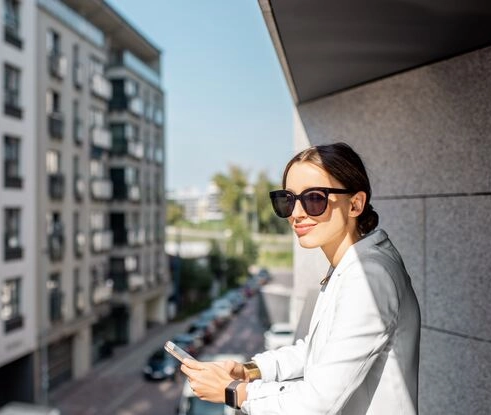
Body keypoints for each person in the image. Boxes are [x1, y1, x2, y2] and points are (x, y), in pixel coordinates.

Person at [180, 142, 420, 414]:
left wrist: (235, 392)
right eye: (287, 200)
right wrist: (248, 371)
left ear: (355, 204)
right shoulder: (349, 266)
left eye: (314, 198)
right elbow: (320, 352)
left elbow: (317, 403)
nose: (296, 213)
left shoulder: (369, 278)